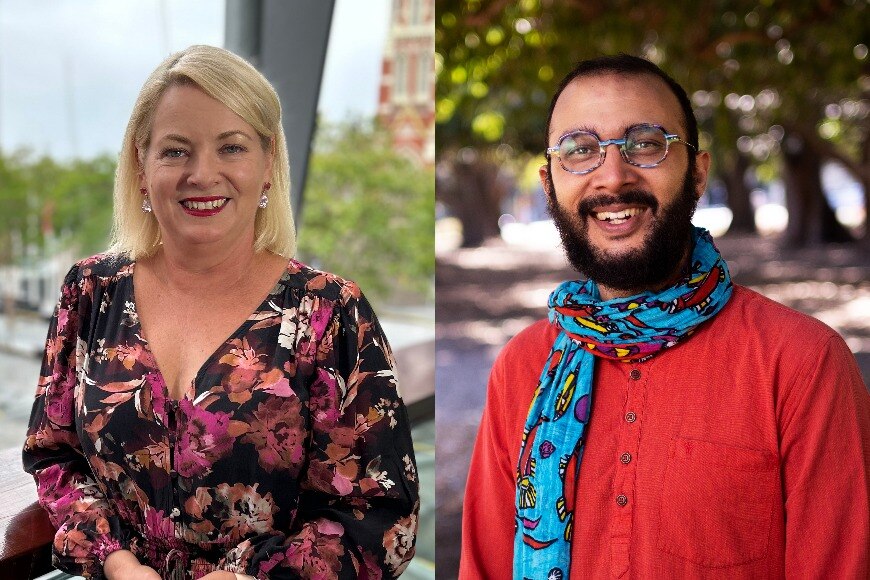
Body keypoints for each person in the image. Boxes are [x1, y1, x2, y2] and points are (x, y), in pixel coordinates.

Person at [460, 54, 869, 579]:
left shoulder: (800, 363)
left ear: (697, 172)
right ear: (548, 183)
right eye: (579, 150)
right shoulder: (522, 367)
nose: (612, 176)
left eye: (646, 144)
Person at [23, 45, 418, 580]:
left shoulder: (332, 314)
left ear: (267, 164)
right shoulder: (91, 292)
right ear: (142, 168)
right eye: (175, 151)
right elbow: (54, 457)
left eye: (231, 147)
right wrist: (116, 563)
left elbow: (380, 516)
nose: (202, 174)